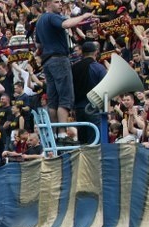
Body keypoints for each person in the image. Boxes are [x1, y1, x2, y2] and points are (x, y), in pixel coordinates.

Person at [35, 0, 95, 142]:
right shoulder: (52, 16)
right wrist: (83, 16)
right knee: (65, 97)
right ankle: (62, 133)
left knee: (53, 99)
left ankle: (56, 133)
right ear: (48, 4)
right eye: (57, 2)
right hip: (59, 59)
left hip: (47, 61)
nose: (60, 4)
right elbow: (67, 24)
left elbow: (38, 43)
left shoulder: (40, 21)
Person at [71, 41, 107, 144]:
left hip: (78, 108)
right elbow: (105, 89)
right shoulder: (99, 68)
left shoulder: (74, 67)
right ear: (96, 52)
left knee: (82, 140)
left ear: (82, 52)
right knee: (95, 140)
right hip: (93, 109)